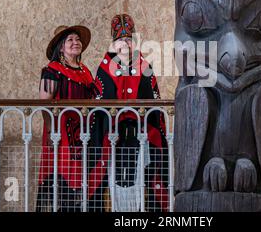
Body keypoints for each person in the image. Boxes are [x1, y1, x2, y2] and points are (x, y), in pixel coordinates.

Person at [88, 14, 169, 212]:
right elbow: (99, 103)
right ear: (113, 43)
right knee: (110, 180)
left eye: (128, 40)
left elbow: (153, 99)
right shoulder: (104, 68)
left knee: (146, 179)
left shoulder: (144, 66)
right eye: (120, 40)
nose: (124, 44)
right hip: (112, 135)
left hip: (141, 135)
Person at [36, 25, 99, 212]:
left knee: (84, 179)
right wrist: (50, 129)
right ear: (61, 47)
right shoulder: (52, 70)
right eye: (70, 40)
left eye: (77, 39)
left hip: (85, 132)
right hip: (62, 133)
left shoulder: (85, 70)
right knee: (64, 178)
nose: (75, 43)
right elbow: (45, 103)